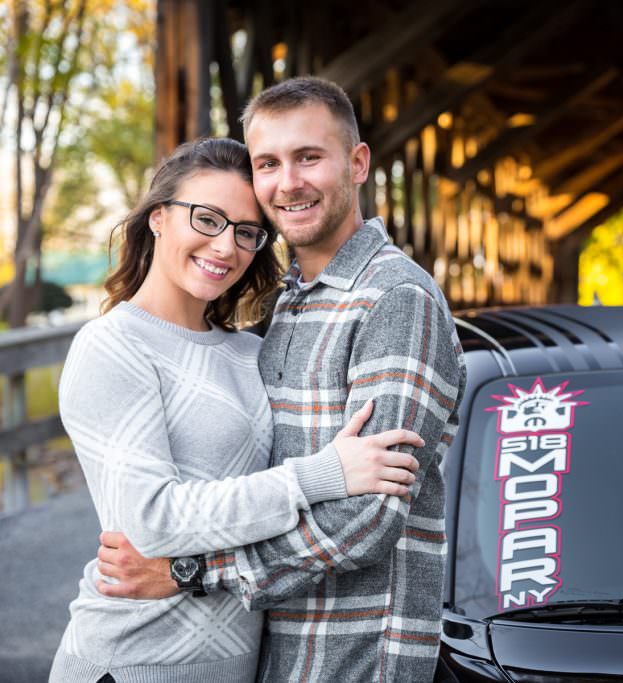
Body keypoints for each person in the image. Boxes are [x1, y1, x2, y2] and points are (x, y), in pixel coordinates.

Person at [98, 77, 467, 681]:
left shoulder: (395, 299)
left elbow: (368, 516)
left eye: (309, 157)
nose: (287, 182)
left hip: (355, 657)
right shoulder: (287, 304)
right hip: (273, 653)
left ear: (357, 163)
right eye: (268, 163)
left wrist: (189, 571)